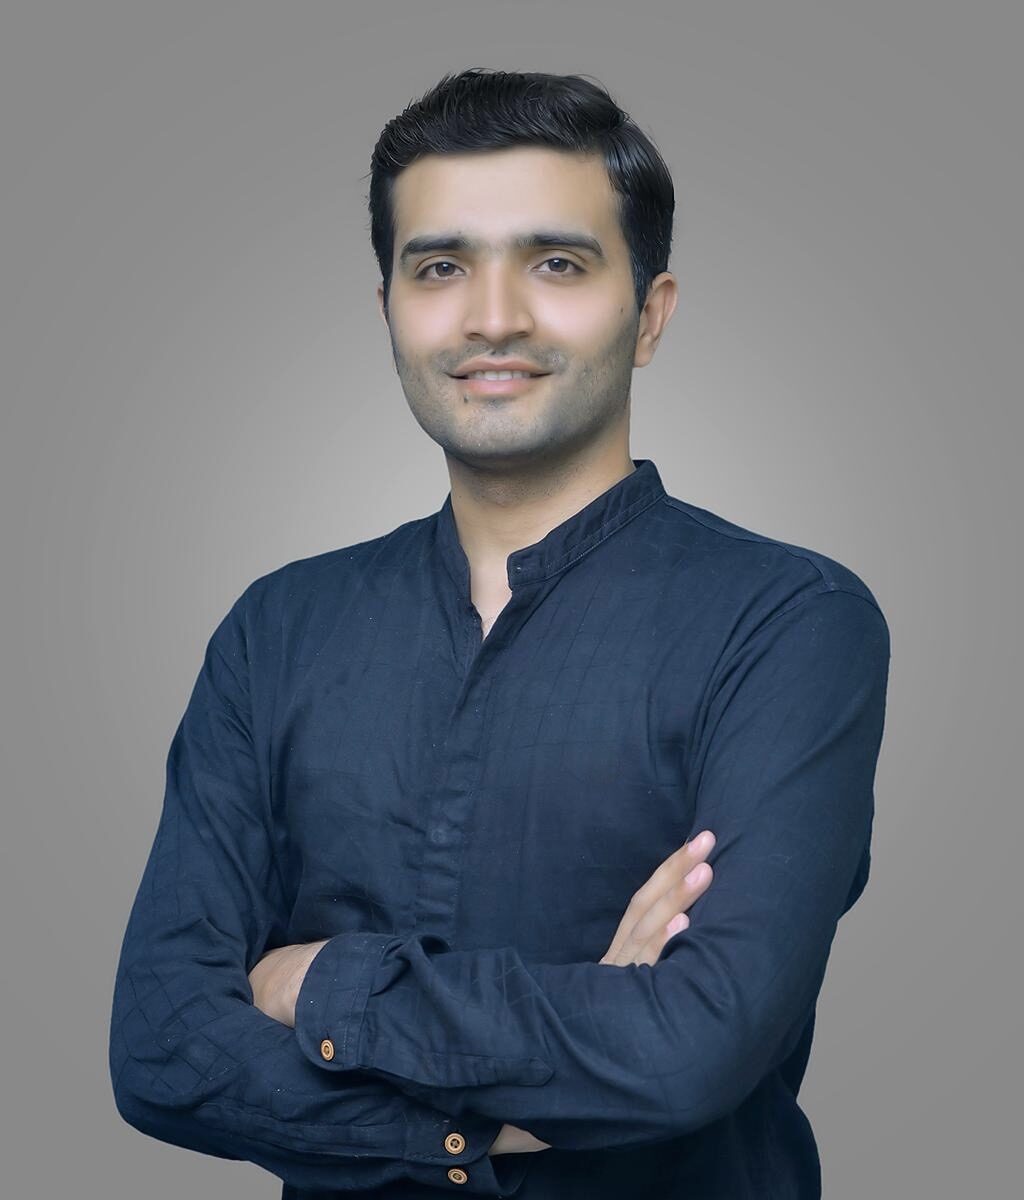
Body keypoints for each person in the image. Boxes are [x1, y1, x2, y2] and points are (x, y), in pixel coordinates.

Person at [109, 69, 890, 1199]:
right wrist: (504, 1123)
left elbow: (693, 1047)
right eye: (440, 268)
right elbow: (160, 1046)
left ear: (650, 313)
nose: (492, 317)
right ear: (388, 309)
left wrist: (322, 988)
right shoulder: (276, 630)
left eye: (556, 263)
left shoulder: (786, 625)